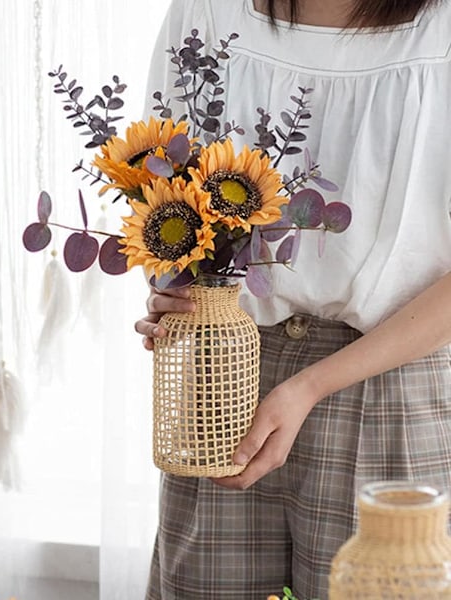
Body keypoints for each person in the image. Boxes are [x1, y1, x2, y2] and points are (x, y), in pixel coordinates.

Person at [135, 0, 451, 598]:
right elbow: (156, 190)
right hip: (223, 369)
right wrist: (172, 292)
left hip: (390, 386)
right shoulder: (206, 13)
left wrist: (309, 386)